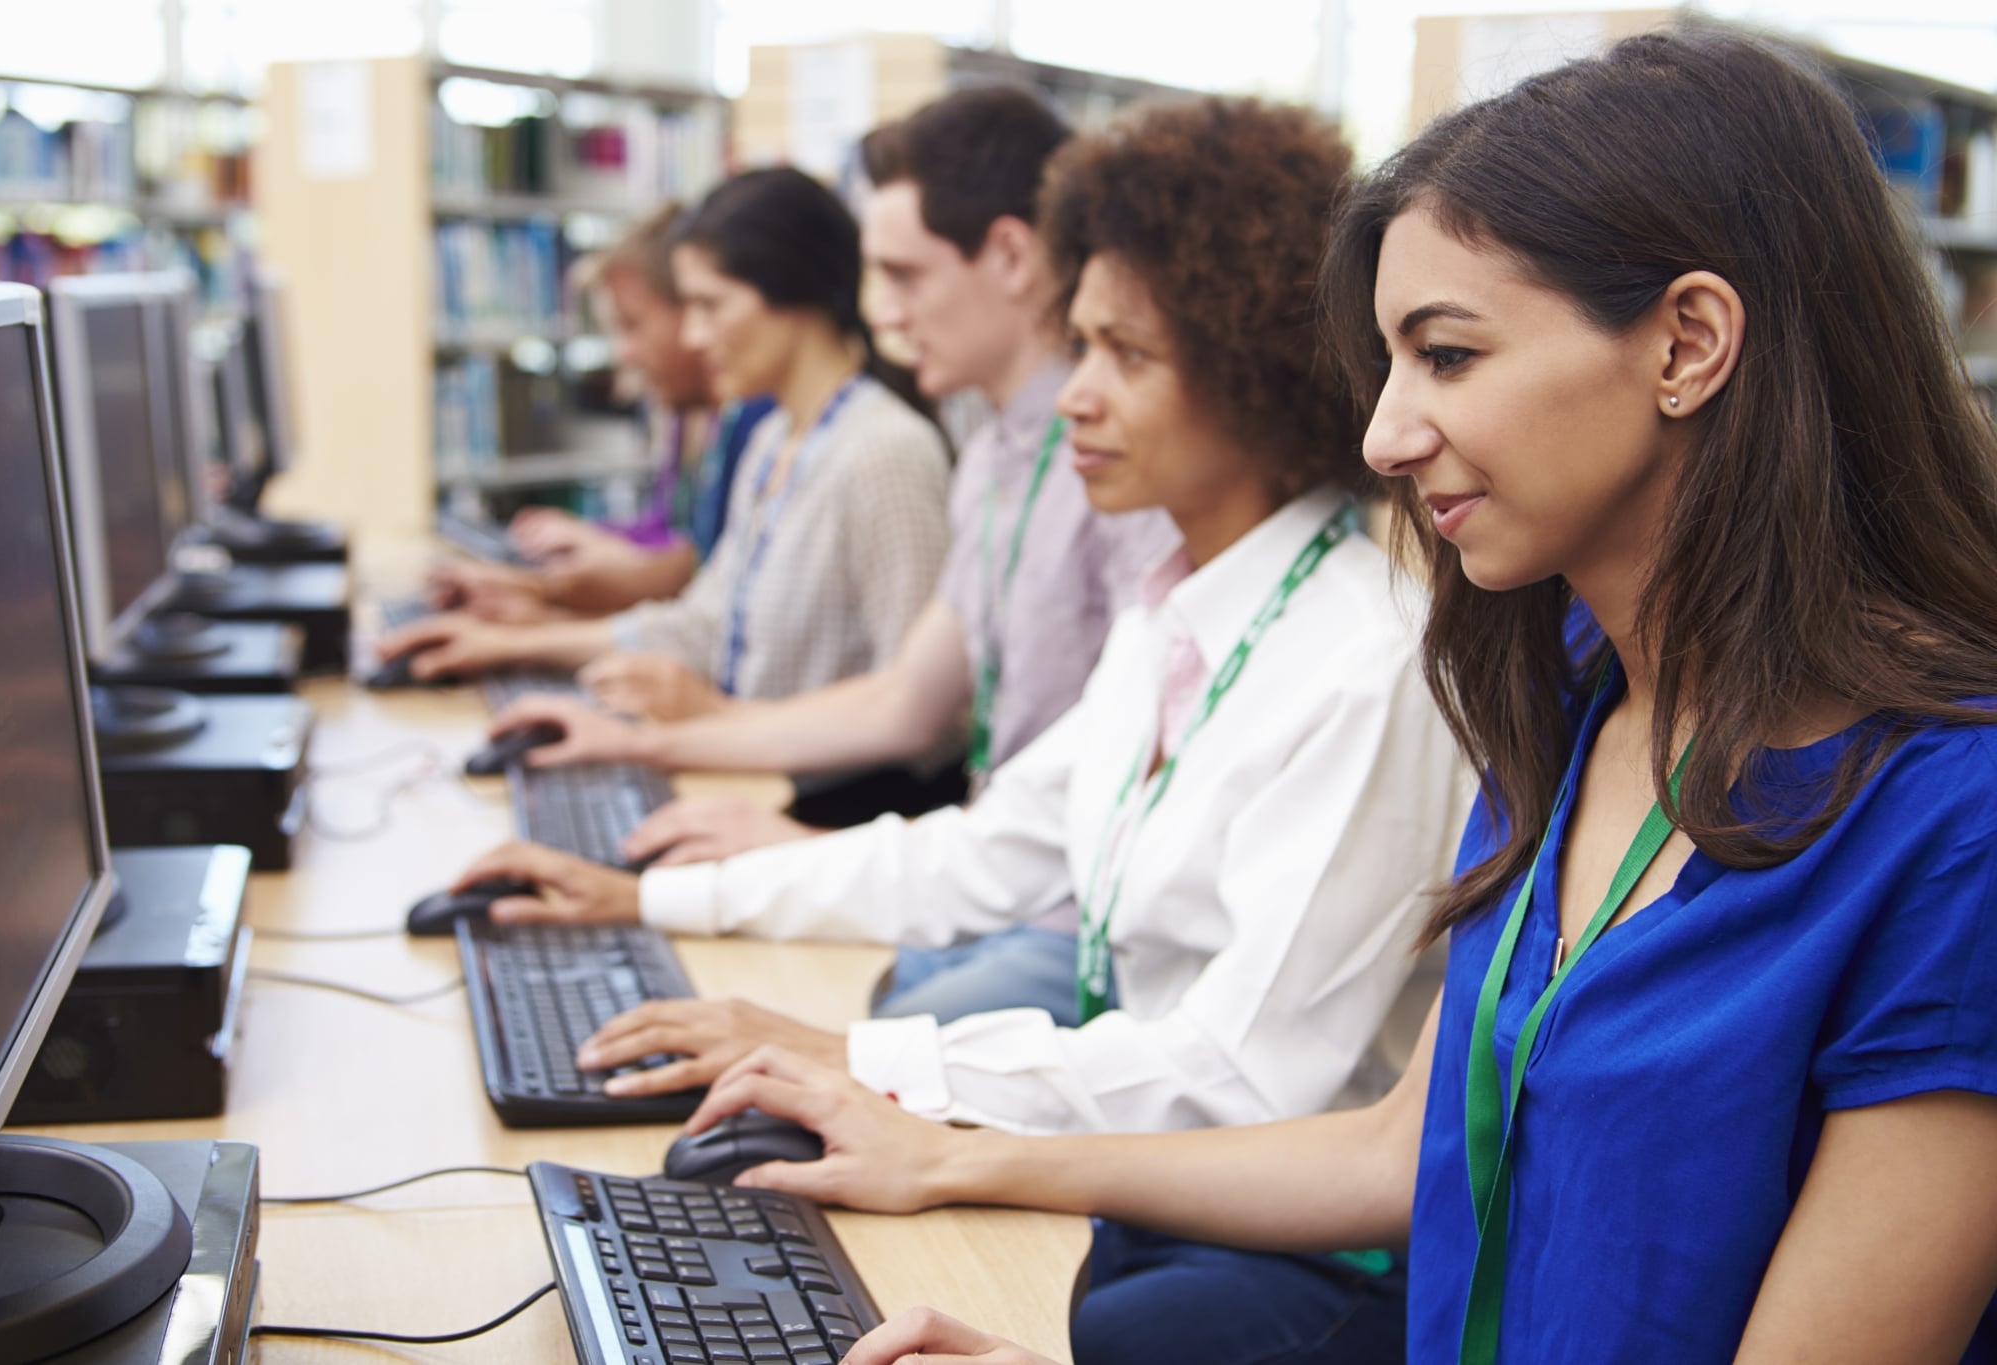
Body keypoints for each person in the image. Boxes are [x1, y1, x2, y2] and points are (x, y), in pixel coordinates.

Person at [682, 27, 1997, 1365]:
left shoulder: (1958, 829)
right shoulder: (1572, 702)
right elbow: (1398, 1147)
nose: (1384, 435)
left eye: (1450, 356)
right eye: (1390, 364)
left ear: (1689, 344)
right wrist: (949, 1160)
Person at [452, 99, 1469, 1188]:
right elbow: (982, 853)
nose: (1074, 395)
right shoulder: (1171, 614)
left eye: (1124, 355)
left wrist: (853, 1058)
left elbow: (1242, 1073)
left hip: (1266, 1215)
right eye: (1079, 345)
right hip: (1143, 1134)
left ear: (1251, 368)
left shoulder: (1363, 665)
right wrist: (643, 897)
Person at [486, 84, 1179, 1026]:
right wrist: (648, 742)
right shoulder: (992, 454)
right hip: (988, 884)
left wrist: (793, 840)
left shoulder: (1122, 471)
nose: (886, 313)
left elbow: (934, 742)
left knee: (793, 1043)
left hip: (1057, 914)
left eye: (904, 275)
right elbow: (907, 692)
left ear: (1012, 256)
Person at [375, 169, 952, 716]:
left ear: (792, 292)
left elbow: (918, 711)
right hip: (748, 770)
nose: (695, 335)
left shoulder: (883, 454)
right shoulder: (776, 439)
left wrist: (714, 719)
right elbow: (705, 626)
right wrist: (513, 644)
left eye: (710, 306)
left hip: (825, 803)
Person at [427, 206, 774, 624]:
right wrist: (598, 545)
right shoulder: (687, 416)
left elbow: (699, 577)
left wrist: (548, 602)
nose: (622, 353)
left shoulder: (753, 421)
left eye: (633, 326)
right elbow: (677, 543)